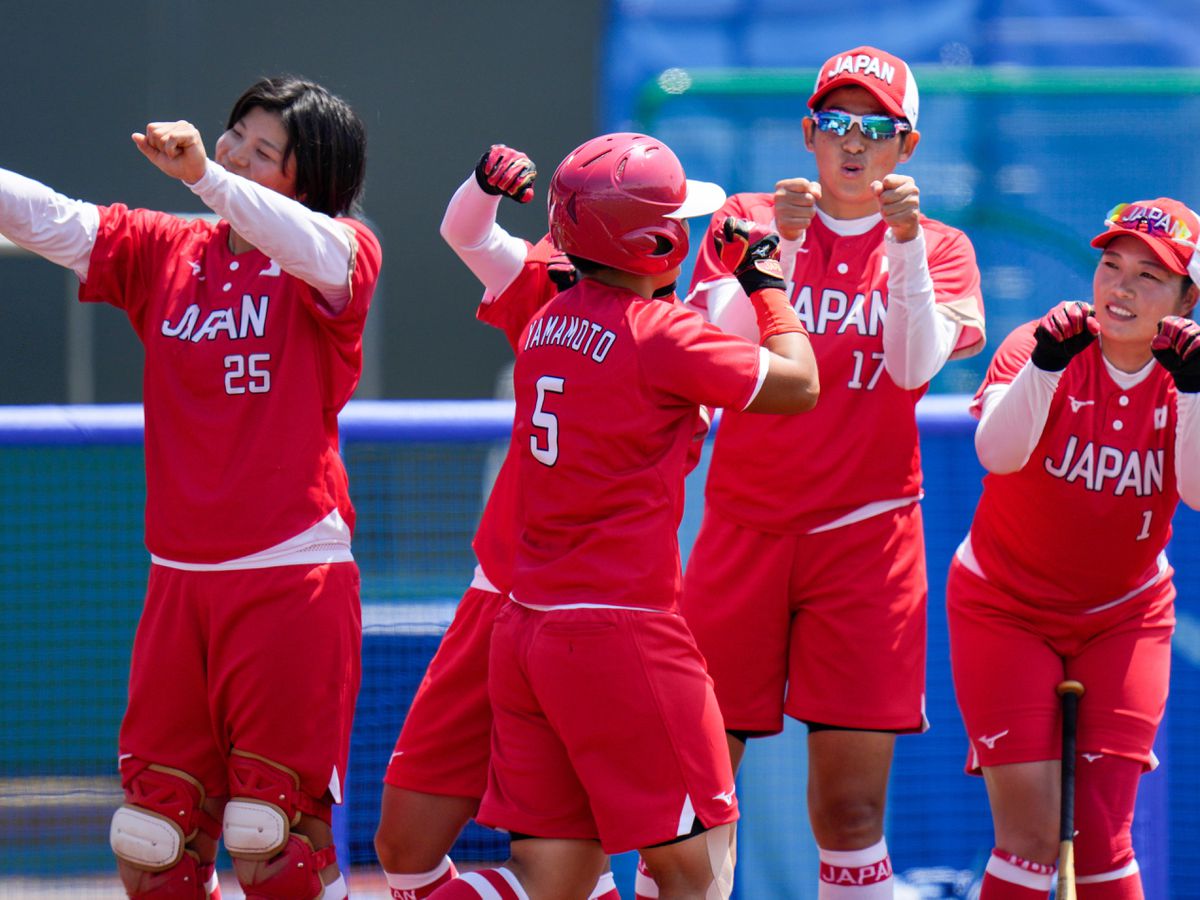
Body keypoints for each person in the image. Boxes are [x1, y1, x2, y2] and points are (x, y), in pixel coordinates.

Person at [0, 76, 381, 900]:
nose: (237, 152)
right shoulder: (168, 249)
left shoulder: (339, 252)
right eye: (235, 134)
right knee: (150, 845)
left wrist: (211, 177)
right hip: (179, 582)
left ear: (307, 180)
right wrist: (208, 188)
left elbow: (317, 249)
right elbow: (50, 217)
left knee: (272, 844)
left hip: (290, 578)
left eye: (263, 150)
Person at [426, 131, 819, 900]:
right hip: (623, 630)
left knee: (556, 876)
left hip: (527, 632)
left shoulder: (545, 321)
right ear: (655, 239)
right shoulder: (659, 334)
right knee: (698, 869)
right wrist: (765, 281)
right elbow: (799, 383)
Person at [656, 45, 986, 899]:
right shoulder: (748, 216)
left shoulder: (942, 246)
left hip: (867, 543)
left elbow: (914, 368)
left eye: (876, 128)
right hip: (744, 532)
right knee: (696, 791)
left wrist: (905, 243)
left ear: (905, 147)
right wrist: (783, 247)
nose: (853, 143)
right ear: (808, 132)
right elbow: (723, 353)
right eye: (836, 123)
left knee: (847, 811)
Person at [372, 143, 618, 900]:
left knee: (575, 872)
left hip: (596, 615)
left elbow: (785, 381)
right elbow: (468, 234)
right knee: (404, 853)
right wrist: (481, 183)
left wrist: (766, 287)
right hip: (499, 591)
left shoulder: (681, 327)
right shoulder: (552, 283)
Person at [947, 197, 1200, 899]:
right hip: (1005, 606)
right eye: (1111, 266)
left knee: (1102, 839)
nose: (1120, 287)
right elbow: (995, 455)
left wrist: (1195, 393)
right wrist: (1046, 368)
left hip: (1124, 614)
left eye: (1150, 277)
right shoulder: (1041, 342)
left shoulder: (1192, 371)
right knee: (1028, 838)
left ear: (1187, 298)